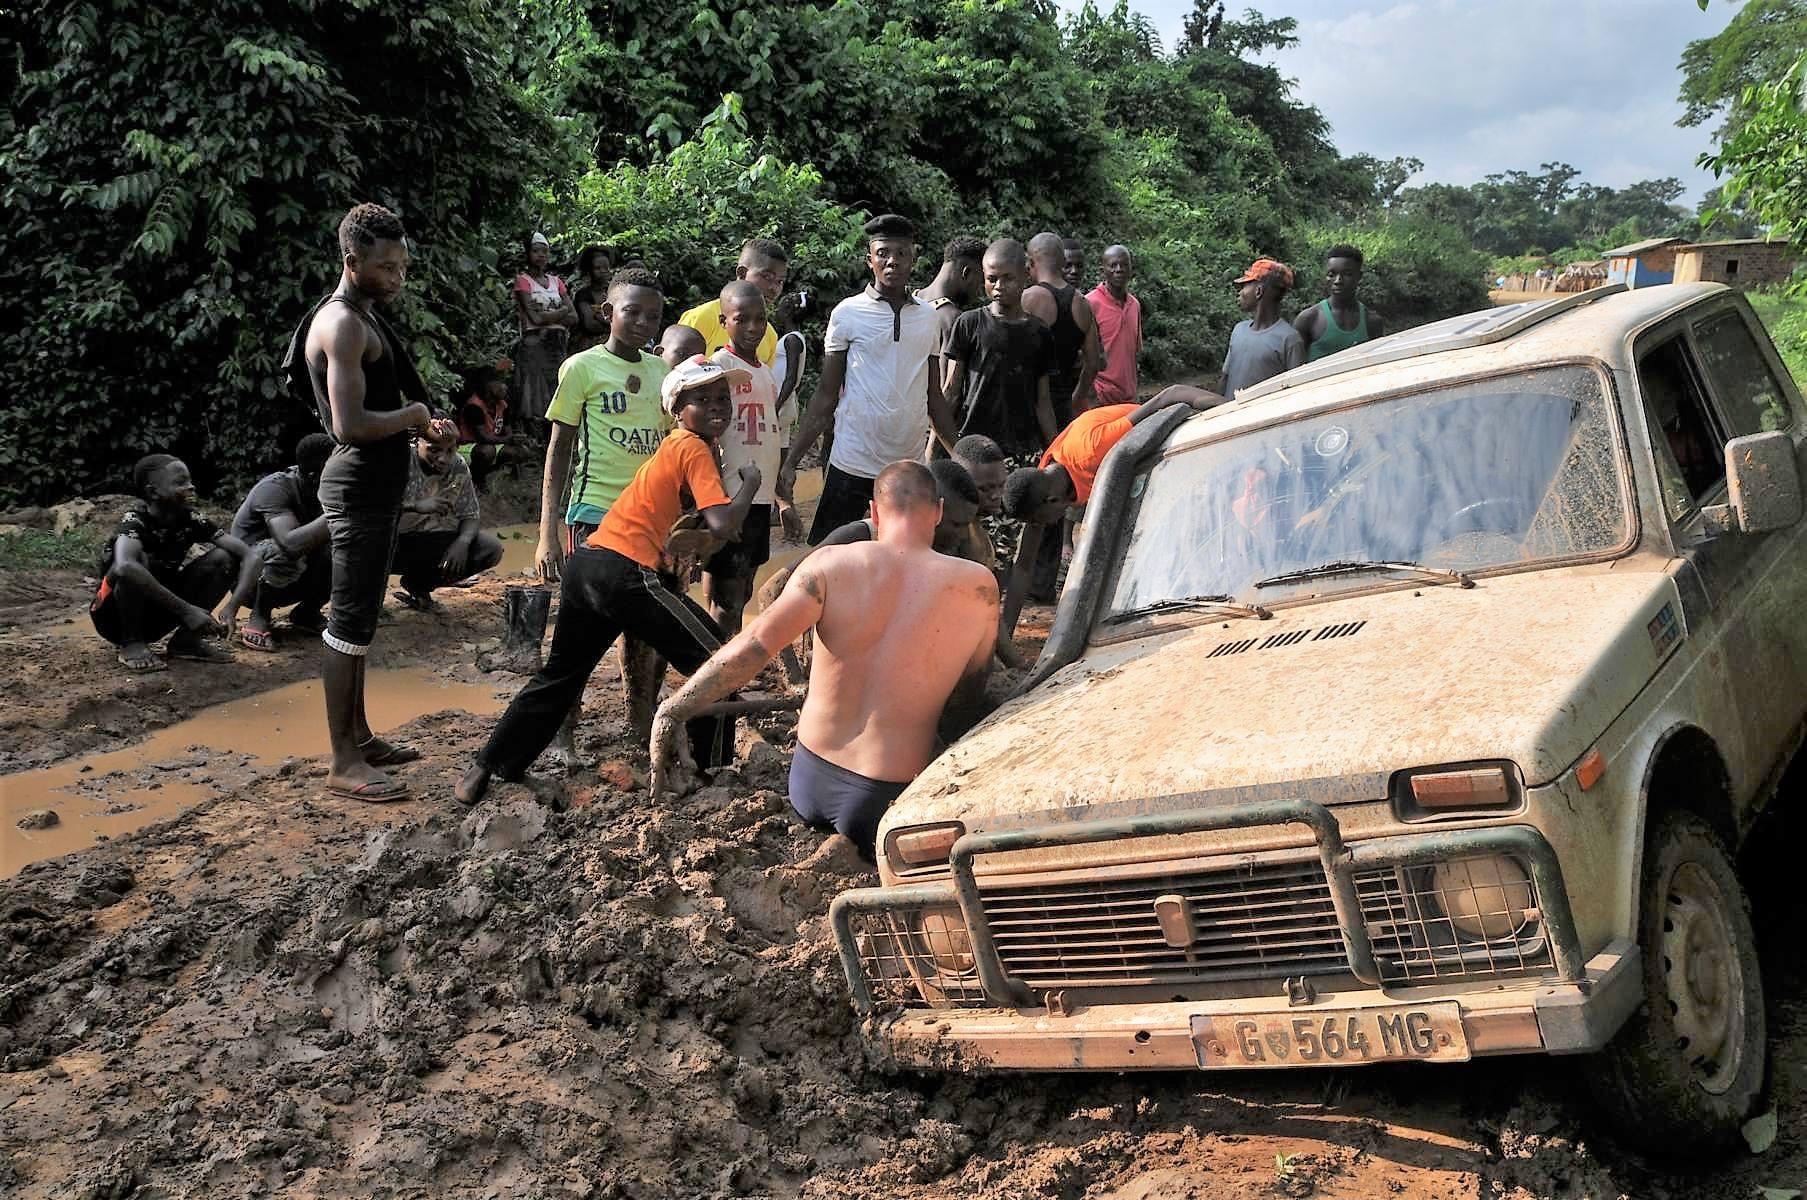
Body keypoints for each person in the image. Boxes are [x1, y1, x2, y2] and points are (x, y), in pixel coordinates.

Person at [649, 461, 998, 858]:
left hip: (809, 783)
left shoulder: (830, 564)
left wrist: (676, 708)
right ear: (937, 510)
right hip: (884, 802)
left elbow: (755, 644)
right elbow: (969, 697)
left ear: (874, 511)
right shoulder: (978, 586)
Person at [456, 357, 761, 807]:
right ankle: (711, 771)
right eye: (702, 398)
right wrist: (751, 486)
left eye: (722, 397)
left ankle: (487, 768)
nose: (717, 406)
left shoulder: (679, 446)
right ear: (677, 408)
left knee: (560, 675)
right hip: (625, 572)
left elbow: (688, 530)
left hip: (590, 565)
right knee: (719, 662)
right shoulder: (693, 447)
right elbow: (720, 522)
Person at [287, 201, 444, 802]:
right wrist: (411, 416)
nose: (397, 278)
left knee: (362, 618)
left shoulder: (364, 314)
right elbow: (350, 424)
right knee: (348, 622)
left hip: (375, 486)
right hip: (354, 486)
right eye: (386, 267)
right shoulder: (344, 323)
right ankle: (342, 760)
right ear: (352, 261)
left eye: (403, 266)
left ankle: (360, 735)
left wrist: (422, 427)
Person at [533, 266, 672, 751]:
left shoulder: (662, 373)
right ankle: (563, 732)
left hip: (652, 519)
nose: (642, 323)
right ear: (608, 312)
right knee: (581, 630)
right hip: (593, 515)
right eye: (632, 312)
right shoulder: (582, 368)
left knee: (646, 630)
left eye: (653, 316)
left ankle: (639, 726)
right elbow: (558, 452)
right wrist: (547, 531)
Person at [777, 214, 959, 544]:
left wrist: (960, 456)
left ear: (913, 259)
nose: (892, 261)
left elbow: (934, 396)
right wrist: (790, 462)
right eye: (883, 253)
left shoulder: (929, 318)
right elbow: (825, 395)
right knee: (831, 553)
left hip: (907, 466)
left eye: (901, 253)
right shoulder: (847, 314)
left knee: (902, 554)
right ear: (869, 260)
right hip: (853, 461)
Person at [998, 386, 1221, 646]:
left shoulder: (1093, 451)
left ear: (1052, 501)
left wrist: (1228, 408)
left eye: (1039, 521)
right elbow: (1024, 566)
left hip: (1173, 453)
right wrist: (1005, 643)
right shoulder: (1043, 481)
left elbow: (1168, 396)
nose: (1043, 526)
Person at [90, 454, 255, 673]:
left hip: (162, 608)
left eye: (189, 481)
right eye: (180, 483)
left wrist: (232, 607)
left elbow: (251, 556)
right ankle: (132, 643)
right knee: (135, 564)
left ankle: (186, 642)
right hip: (114, 619)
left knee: (224, 558)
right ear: (152, 492)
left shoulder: (190, 518)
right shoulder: (134, 521)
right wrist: (187, 611)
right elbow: (124, 566)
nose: (191, 487)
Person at [703, 281, 795, 634]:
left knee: (740, 587)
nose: (754, 327)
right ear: (724, 320)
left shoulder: (764, 371)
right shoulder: (718, 368)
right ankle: (724, 669)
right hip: (730, 495)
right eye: (742, 319)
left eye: (761, 319)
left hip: (758, 496)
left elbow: (772, 432)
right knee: (727, 594)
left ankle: (719, 659)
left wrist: (780, 490)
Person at [942, 238, 1057, 462]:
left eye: (1008, 278)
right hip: (972, 445)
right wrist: (934, 448)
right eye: (991, 279)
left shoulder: (1040, 333)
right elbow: (951, 391)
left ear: (1025, 275)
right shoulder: (969, 323)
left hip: (1023, 449)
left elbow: (1043, 401)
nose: (998, 286)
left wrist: (1054, 451)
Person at [221, 433, 334, 652]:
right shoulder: (275, 488)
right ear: (313, 475)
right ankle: (259, 617)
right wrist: (338, 509)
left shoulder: (322, 488)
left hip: (294, 575)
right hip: (248, 580)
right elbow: (290, 544)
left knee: (348, 546)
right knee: (286, 549)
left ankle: (307, 613)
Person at [392, 423, 505, 612]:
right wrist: (415, 506)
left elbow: (470, 514)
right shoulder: (399, 461)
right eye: (433, 450)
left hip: (424, 541)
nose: (443, 458)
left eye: (450, 450)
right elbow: (369, 511)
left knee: (490, 549)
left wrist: (462, 542)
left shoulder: (458, 466)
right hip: (386, 544)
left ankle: (419, 585)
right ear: (416, 443)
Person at [1023, 232, 1100, 425]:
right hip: (1063, 405)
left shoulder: (1027, 299)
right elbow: (1093, 364)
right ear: (1061, 261)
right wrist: (1076, 398)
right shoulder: (1083, 304)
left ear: (1031, 262)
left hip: (1027, 406)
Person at [679, 238, 788, 362]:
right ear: (742, 274)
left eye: (780, 281)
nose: (774, 288)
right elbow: (674, 374)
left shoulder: (769, 335)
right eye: (767, 277)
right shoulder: (703, 317)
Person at [513, 232, 577, 428]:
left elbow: (574, 317)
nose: (540, 255)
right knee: (534, 394)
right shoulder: (523, 280)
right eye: (535, 251)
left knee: (556, 388)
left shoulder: (556, 282)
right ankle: (535, 437)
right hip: (534, 342)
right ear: (527, 253)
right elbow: (535, 318)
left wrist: (548, 316)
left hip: (556, 344)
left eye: (544, 251)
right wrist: (561, 311)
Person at [1222, 258, 1305, 401]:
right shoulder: (1238, 330)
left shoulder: (1289, 339)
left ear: (1259, 291)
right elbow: (1225, 378)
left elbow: (1297, 393)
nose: (1240, 293)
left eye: (1245, 286)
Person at [1294, 243, 1386, 362]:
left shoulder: (1372, 322)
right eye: (1331, 274)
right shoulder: (1309, 319)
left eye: (1347, 274)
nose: (1338, 281)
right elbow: (1294, 371)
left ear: (1359, 277)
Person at [1088, 245, 1143, 405]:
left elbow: (1134, 353)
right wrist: (1092, 395)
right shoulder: (1090, 303)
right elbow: (1082, 356)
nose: (1119, 270)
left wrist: (1135, 392)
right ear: (1103, 269)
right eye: (1113, 265)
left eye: (1124, 265)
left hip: (1129, 398)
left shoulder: (1134, 305)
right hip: (1101, 397)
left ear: (1131, 269)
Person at [915, 236, 988, 353]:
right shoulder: (953, 321)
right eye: (981, 283)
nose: (978, 293)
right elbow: (947, 371)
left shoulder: (905, 302)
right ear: (966, 272)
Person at [454, 366, 518, 492]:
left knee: (515, 452)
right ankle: (477, 480)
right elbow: (482, 437)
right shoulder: (474, 406)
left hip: (493, 444)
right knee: (487, 452)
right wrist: (508, 438)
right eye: (501, 383)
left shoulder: (502, 405)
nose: (505, 387)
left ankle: (497, 477)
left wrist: (512, 438)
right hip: (468, 447)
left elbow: (508, 430)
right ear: (489, 386)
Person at [569, 245, 613, 354]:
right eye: (598, 268)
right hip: (588, 347)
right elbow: (590, 325)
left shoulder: (614, 291)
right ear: (589, 271)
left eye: (606, 268)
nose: (603, 271)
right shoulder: (583, 294)